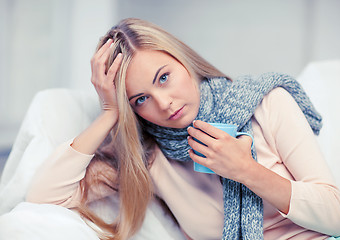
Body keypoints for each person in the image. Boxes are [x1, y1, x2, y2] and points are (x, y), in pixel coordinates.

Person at [26, 18, 340, 240]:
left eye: (164, 77)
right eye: (141, 98)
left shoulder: (267, 103)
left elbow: (335, 215)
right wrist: (109, 112)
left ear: (184, 61)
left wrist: (246, 170)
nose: (163, 103)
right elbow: (43, 198)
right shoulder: (147, 159)